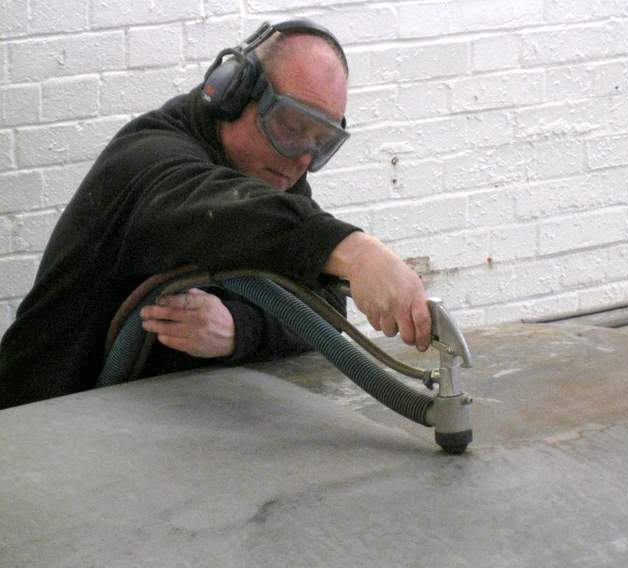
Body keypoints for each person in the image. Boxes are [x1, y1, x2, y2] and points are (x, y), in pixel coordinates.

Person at [0, 20, 431, 408]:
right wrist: (355, 251)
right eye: (291, 127)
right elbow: (219, 209)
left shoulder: (273, 174)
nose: (302, 157)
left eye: (320, 143)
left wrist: (239, 330)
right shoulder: (149, 161)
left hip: (144, 425)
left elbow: (324, 308)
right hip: (39, 423)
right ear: (232, 91)